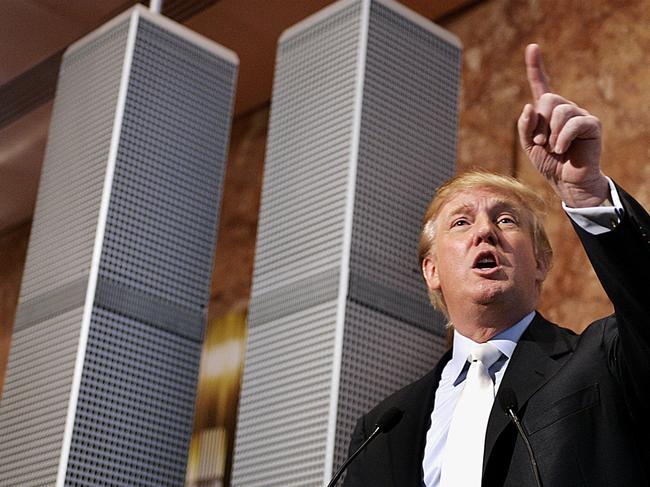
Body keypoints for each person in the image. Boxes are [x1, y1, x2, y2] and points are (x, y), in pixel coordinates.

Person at [342, 44, 650, 486]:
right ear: (431, 271)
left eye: (506, 219)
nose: (484, 232)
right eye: (461, 222)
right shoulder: (383, 427)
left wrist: (587, 194)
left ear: (541, 262)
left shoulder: (604, 359)